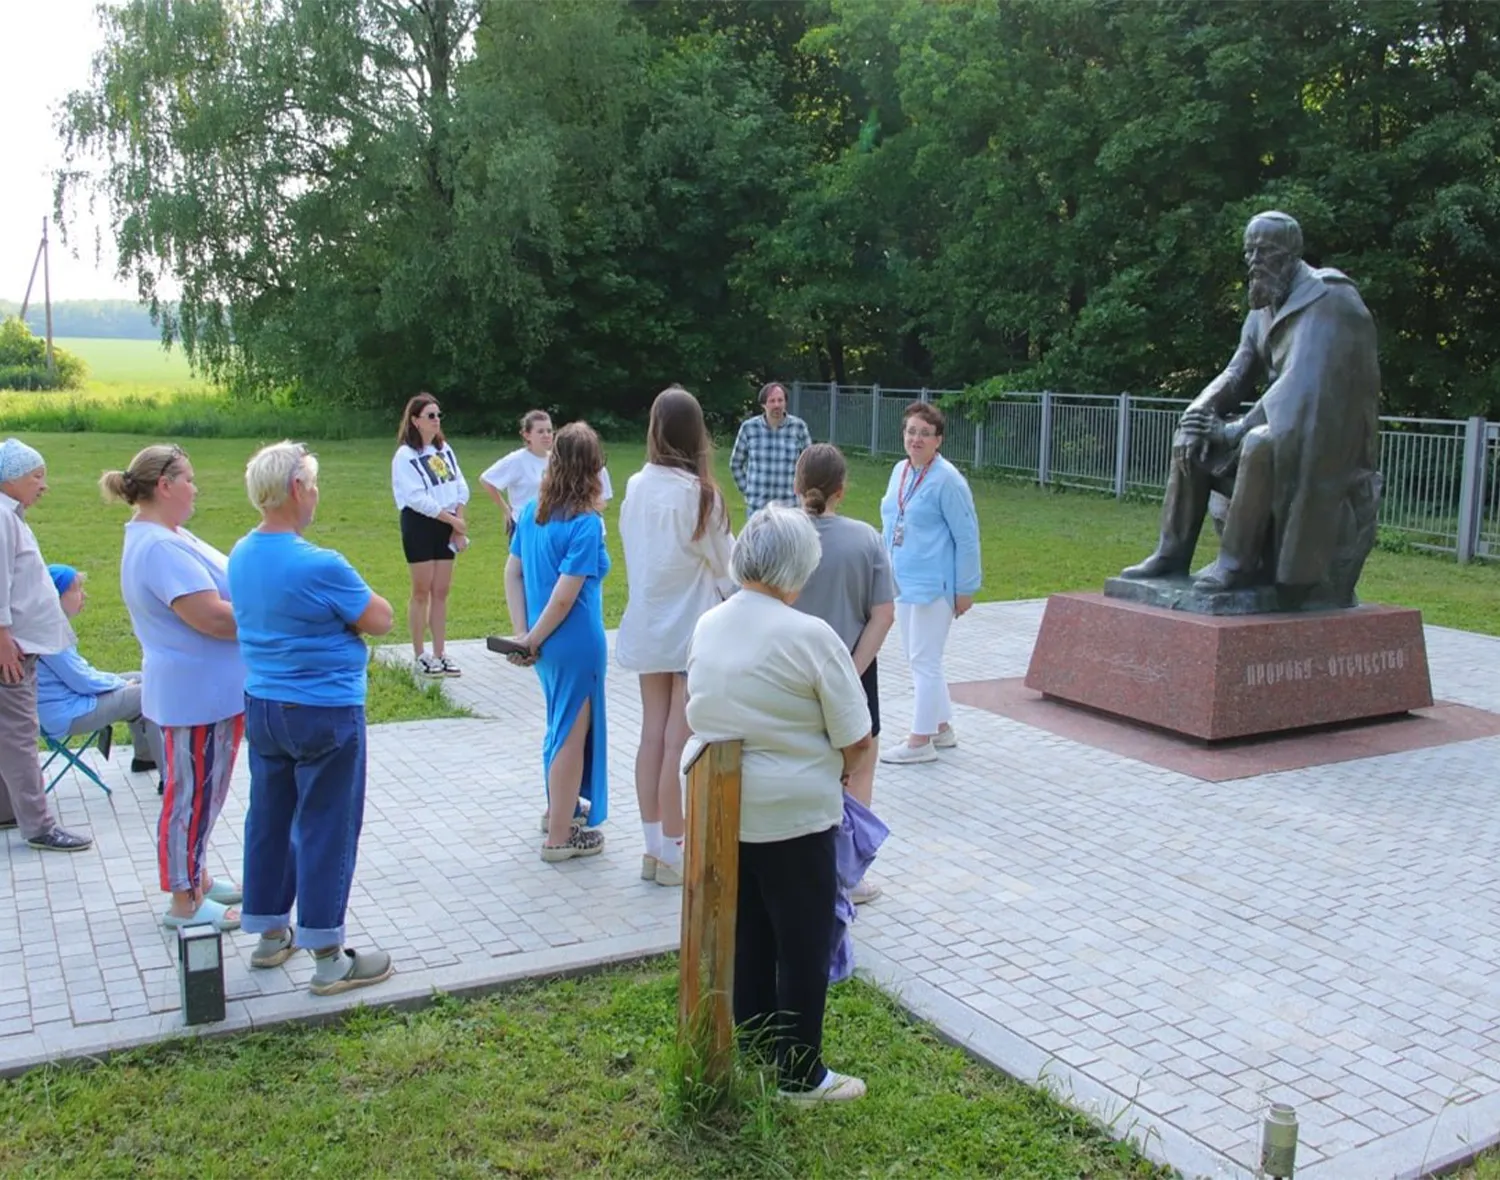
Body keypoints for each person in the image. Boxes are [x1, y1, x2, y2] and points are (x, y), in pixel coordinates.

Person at [685, 505, 873, 1103]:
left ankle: (757, 1040)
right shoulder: (810, 634)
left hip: (723, 805)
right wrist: (839, 774)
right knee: (803, 941)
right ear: (799, 569)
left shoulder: (710, 623)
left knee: (750, 931)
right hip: (795, 814)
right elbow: (857, 739)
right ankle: (801, 1073)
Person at [1121, 211, 1382, 601]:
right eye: (1249, 252)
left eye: (1265, 251)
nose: (1255, 261)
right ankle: (1171, 554)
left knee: (1259, 443)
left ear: (1292, 253)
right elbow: (1237, 370)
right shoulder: (1263, 306)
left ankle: (1236, 564)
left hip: (1327, 440)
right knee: (1191, 438)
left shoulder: (1328, 299)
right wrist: (1198, 411)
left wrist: (1231, 431)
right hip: (1284, 424)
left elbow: (1300, 384)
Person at [229, 442, 397, 996]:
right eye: (315, 484)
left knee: (270, 818)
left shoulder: (241, 553)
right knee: (326, 823)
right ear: (297, 489)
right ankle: (329, 956)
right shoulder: (320, 563)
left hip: (264, 706)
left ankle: (270, 933)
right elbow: (380, 618)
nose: (318, 494)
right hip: (324, 710)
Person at [104, 444, 245, 929]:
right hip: (194, 694)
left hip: (213, 689)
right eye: (189, 479)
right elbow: (207, 616)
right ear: (165, 485)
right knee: (188, 797)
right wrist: (270, 617)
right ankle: (183, 901)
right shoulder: (158, 546)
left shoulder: (169, 534)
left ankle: (198, 875)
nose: (196, 488)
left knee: (206, 793)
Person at [616, 386, 734, 886]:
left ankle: (654, 847)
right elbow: (728, 567)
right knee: (676, 741)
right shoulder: (700, 495)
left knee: (652, 735)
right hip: (690, 628)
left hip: (647, 623)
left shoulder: (636, 486)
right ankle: (672, 848)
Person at [503, 421, 611, 863]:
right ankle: (561, 837)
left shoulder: (530, 513)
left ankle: (557, 811)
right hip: (574, 642)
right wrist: (533, 636)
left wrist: (523, 634)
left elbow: (513, 572)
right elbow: (566, 596)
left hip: (544, 646)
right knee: (570, 733)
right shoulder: (586, 524)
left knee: (557, 726)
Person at [791, 444, 894, 903]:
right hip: (853, 671)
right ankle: (845, 877)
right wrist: (850, 671)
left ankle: (798, 866)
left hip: (789, 670)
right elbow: (884, 614)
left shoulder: (779, 534)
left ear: (798, 485)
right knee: (857, 768)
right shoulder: (866, 538)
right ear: (842, 490)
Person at [0, 439, 93, 853]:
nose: (44, 486)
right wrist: (3, 639)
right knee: (20, 734)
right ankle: (39, 827)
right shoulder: (1, 518)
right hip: (12, 647)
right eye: (36, 476)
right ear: (9, 478)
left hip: (19, 642)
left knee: (10, 732)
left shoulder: (11, 516)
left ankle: (9, 809)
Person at [878, 402, 982, 765]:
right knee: (918, 658)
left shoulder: (948, 480)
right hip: (902, 582)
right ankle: (941, 727)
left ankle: (919, 741)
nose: (916, 439)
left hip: (934, 587)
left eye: (925, 433)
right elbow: (892, 521)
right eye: (911, 431)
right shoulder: (899, 472)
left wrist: (966, 588)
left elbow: (967, 537)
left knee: (925, 660)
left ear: (938, 440)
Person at [36, 564, 167, 781]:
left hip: (63, 705)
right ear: (55, 596)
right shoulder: (51, 635)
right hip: (67, 714)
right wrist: (120, 685)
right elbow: (81, 680)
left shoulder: (47, 628)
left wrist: (118, 682)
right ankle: (171, 778)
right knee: (149, 693)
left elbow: (80, 674)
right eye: (77, 589)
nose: (84, 595)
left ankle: (146, 757)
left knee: (142, 678)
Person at [392, 393, 469, 677]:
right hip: (421, 523)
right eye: (430, 416)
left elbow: (459, 484)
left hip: (446, 520)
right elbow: (416, 498)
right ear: (415, 420)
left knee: (441, 590)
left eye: (438, 415)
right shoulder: (405, 455)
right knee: (421, 590)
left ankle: (440, 651)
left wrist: (457, 521)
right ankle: (420, 653)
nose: (436, 421)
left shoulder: (443, 449)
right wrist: (451, 520)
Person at [730, 381, 812, 515]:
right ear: (763, 404)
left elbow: (810, 466)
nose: (777, 405)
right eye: (772, 401)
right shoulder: (749, 428)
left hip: (790, 508)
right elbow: (735, 464)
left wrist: (803, 494)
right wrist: (748, 490)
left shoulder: (799, 427)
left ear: (785, 402)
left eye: (780, 400)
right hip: (758, 508)